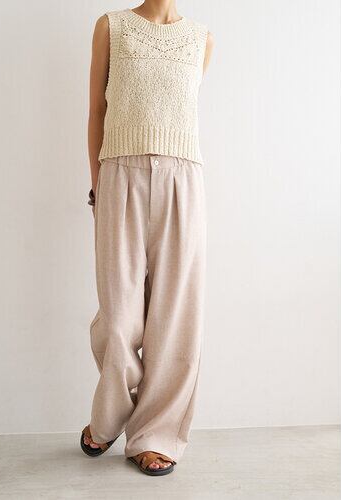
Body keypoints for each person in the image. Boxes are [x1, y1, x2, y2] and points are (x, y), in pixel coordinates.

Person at [81, 0, 214, 476]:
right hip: (120, 175)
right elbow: (96, 110)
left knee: (175, 318)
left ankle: (155, 434)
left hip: (183, 180)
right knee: (119, 317)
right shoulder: (111, 27)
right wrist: (98, 185)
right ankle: (111, 414)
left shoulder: (201, 39)